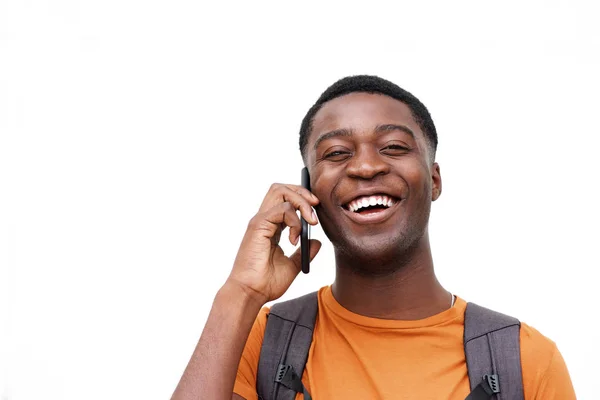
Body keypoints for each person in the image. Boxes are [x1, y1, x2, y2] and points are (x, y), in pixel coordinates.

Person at [171, 75, 576, 400]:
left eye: (394, 146)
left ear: (434, 180)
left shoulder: (523, 360)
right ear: (306, 190)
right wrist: (240, 293)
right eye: (336, 153)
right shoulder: (261, 340)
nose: (365, 166)